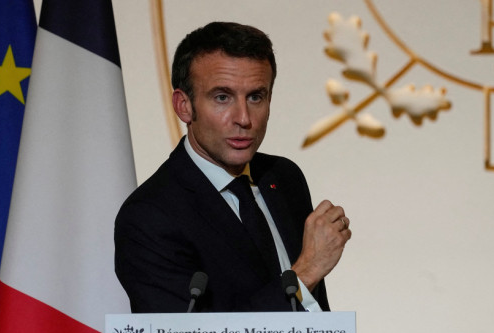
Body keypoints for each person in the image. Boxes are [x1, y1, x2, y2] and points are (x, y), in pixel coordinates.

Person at [114, 21, 351, 313]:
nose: (243, 118)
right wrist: (306, 272)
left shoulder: (283, 178)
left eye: (256, 97)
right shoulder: (149, 216)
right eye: (222, 97)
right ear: (184, 106)